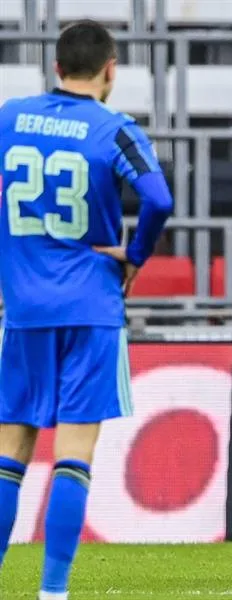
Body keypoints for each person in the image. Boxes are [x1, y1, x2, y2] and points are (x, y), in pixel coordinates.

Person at [0, 20, 173, 600]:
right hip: (92, 303)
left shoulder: (9, 117)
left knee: (10, 452)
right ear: (110, 69)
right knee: (73, 454)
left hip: (23, 306)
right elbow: (158, 197)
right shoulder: (113, 127)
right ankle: (53, 593)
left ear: (55, 67)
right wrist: (135, 257)